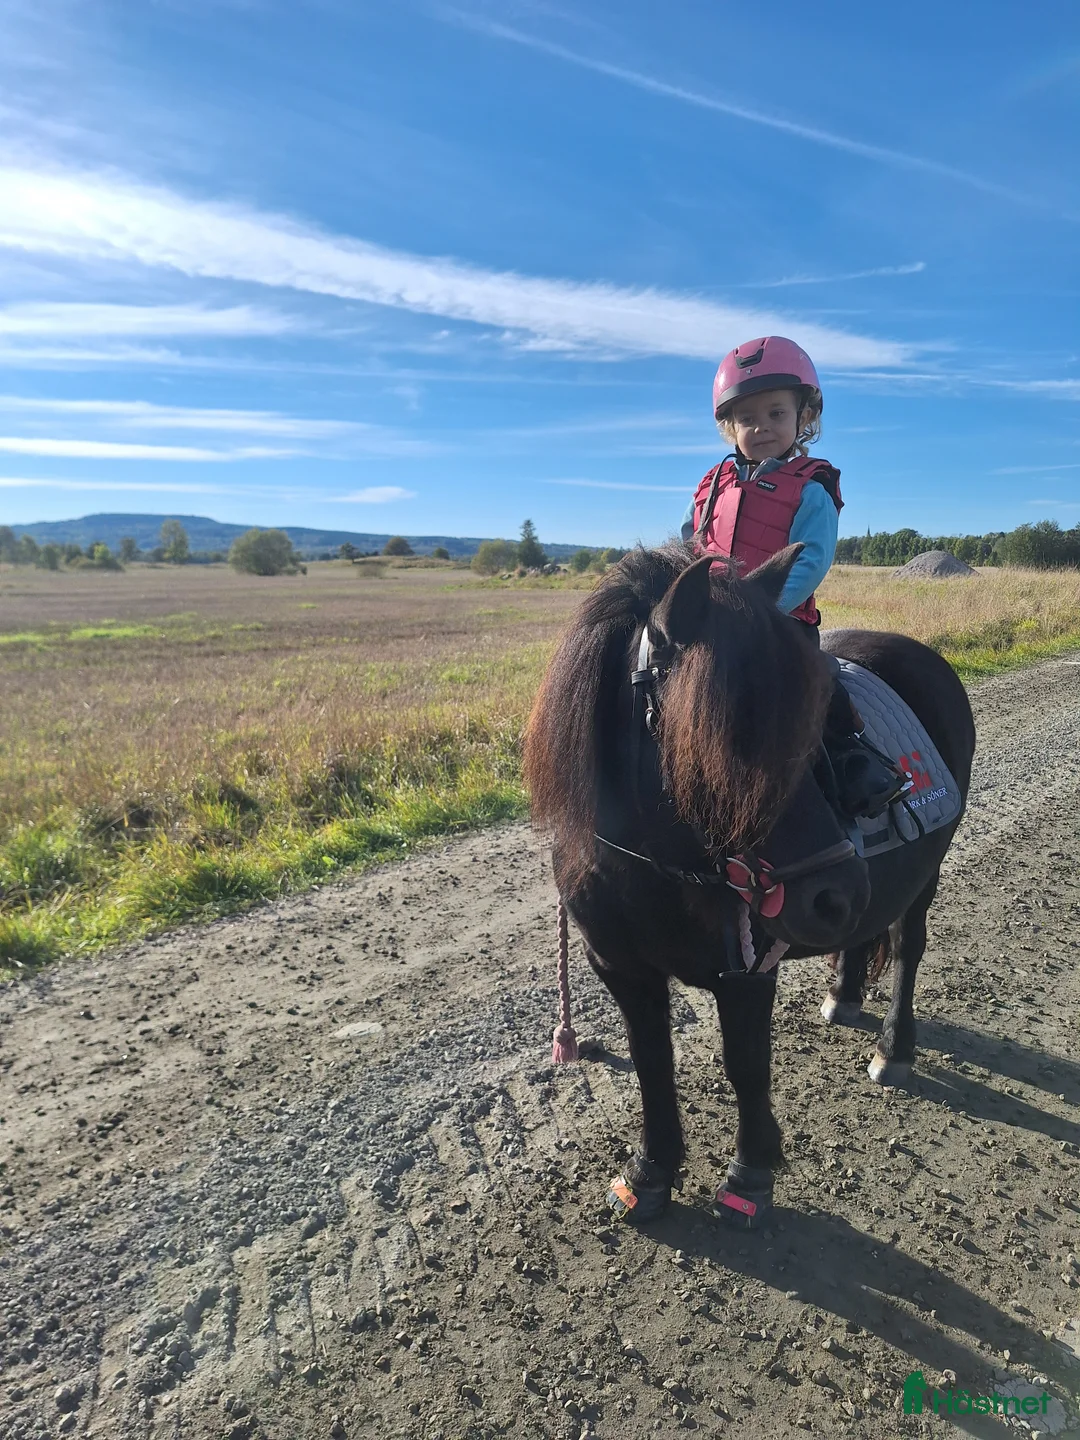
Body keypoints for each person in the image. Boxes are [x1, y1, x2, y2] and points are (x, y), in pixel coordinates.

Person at [681, 334, 900, 819]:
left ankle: (856, 760)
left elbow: (812, 558)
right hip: (712, 625)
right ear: (730, 426)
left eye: (776, 413)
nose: (761, 427)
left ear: (805, 416)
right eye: (747, 417)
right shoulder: (711, 486)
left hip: (781, 624)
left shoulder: (811, 487)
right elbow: (691, 546)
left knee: (819, 683)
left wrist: (760, 611)